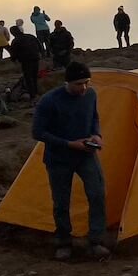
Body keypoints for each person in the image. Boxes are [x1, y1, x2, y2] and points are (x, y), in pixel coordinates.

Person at [32, 62, 109, 261]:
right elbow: (38, 133)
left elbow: (94, 118)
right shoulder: (50, 101)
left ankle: (96, 241)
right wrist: (68, 144)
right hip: (58, 159)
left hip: (86, 155)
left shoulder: (90, 95)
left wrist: (96, 135)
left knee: (97, 194)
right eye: (78, 84)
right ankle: (63, 243)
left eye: (86, 82)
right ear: (67, 82)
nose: (83, 88)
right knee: (61, 202)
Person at [8, 25, 41, 101]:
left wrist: (14, 60)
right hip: (35, 58)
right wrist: (40, 54)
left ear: (13, 33)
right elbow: (39, 45)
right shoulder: (31, 36)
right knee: (34, 76)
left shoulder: (15, 41)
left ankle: (32, 95)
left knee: (28, 78)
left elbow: (13, 53)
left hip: (26, 61)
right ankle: (36, 92)